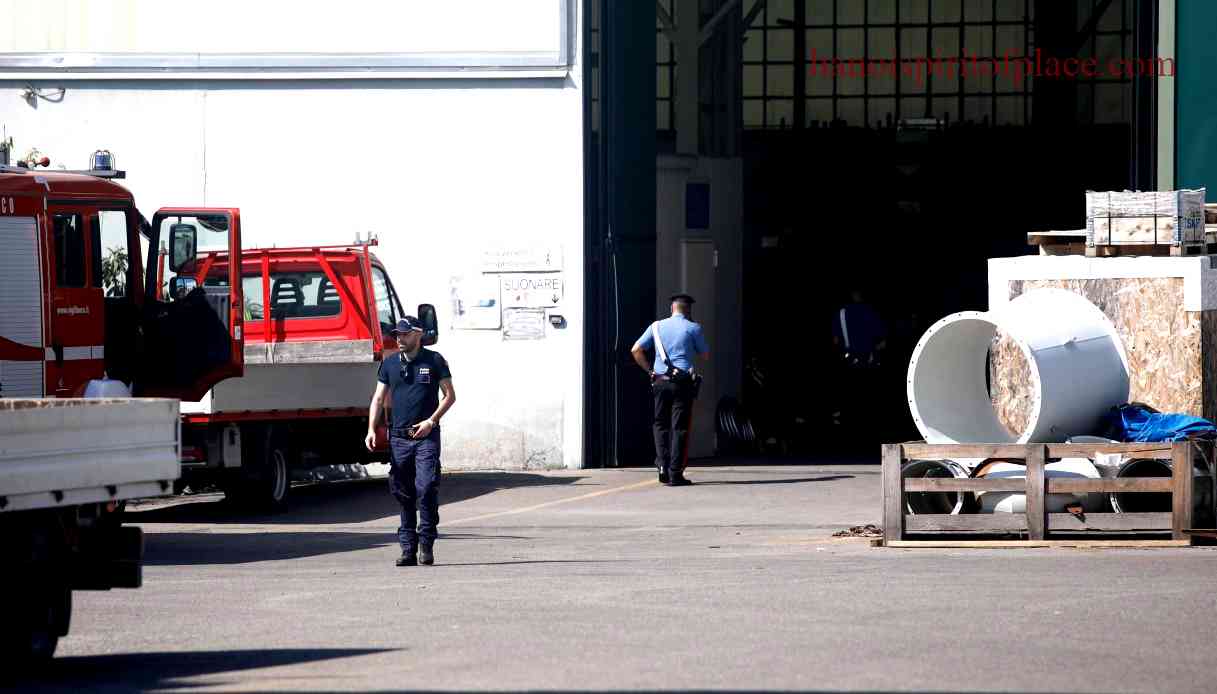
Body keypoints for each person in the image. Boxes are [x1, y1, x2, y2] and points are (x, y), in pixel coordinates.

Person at [365, 316, 455, 567]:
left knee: (426, 488)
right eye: (397, 334)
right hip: (399, 438)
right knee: (403, 493)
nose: (399, 339)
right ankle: (407, 548)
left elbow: (450, 396)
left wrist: (431, 421)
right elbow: (379, 399)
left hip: (425, 436)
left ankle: (426, 542)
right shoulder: (390, 363)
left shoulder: (434, 360)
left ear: (418, 334)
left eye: (405, 334)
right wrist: (371, 429)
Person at [630, 293, 710, 486]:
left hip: (659, 381)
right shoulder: (693, 328)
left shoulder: (656, 327)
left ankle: (662, 466)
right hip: (682, 384)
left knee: (659, 424)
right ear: (688, 310)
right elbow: (705, 355)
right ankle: (675, 473)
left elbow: (635, 350)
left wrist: (649, 370)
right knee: (680, 427)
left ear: (672, 308)